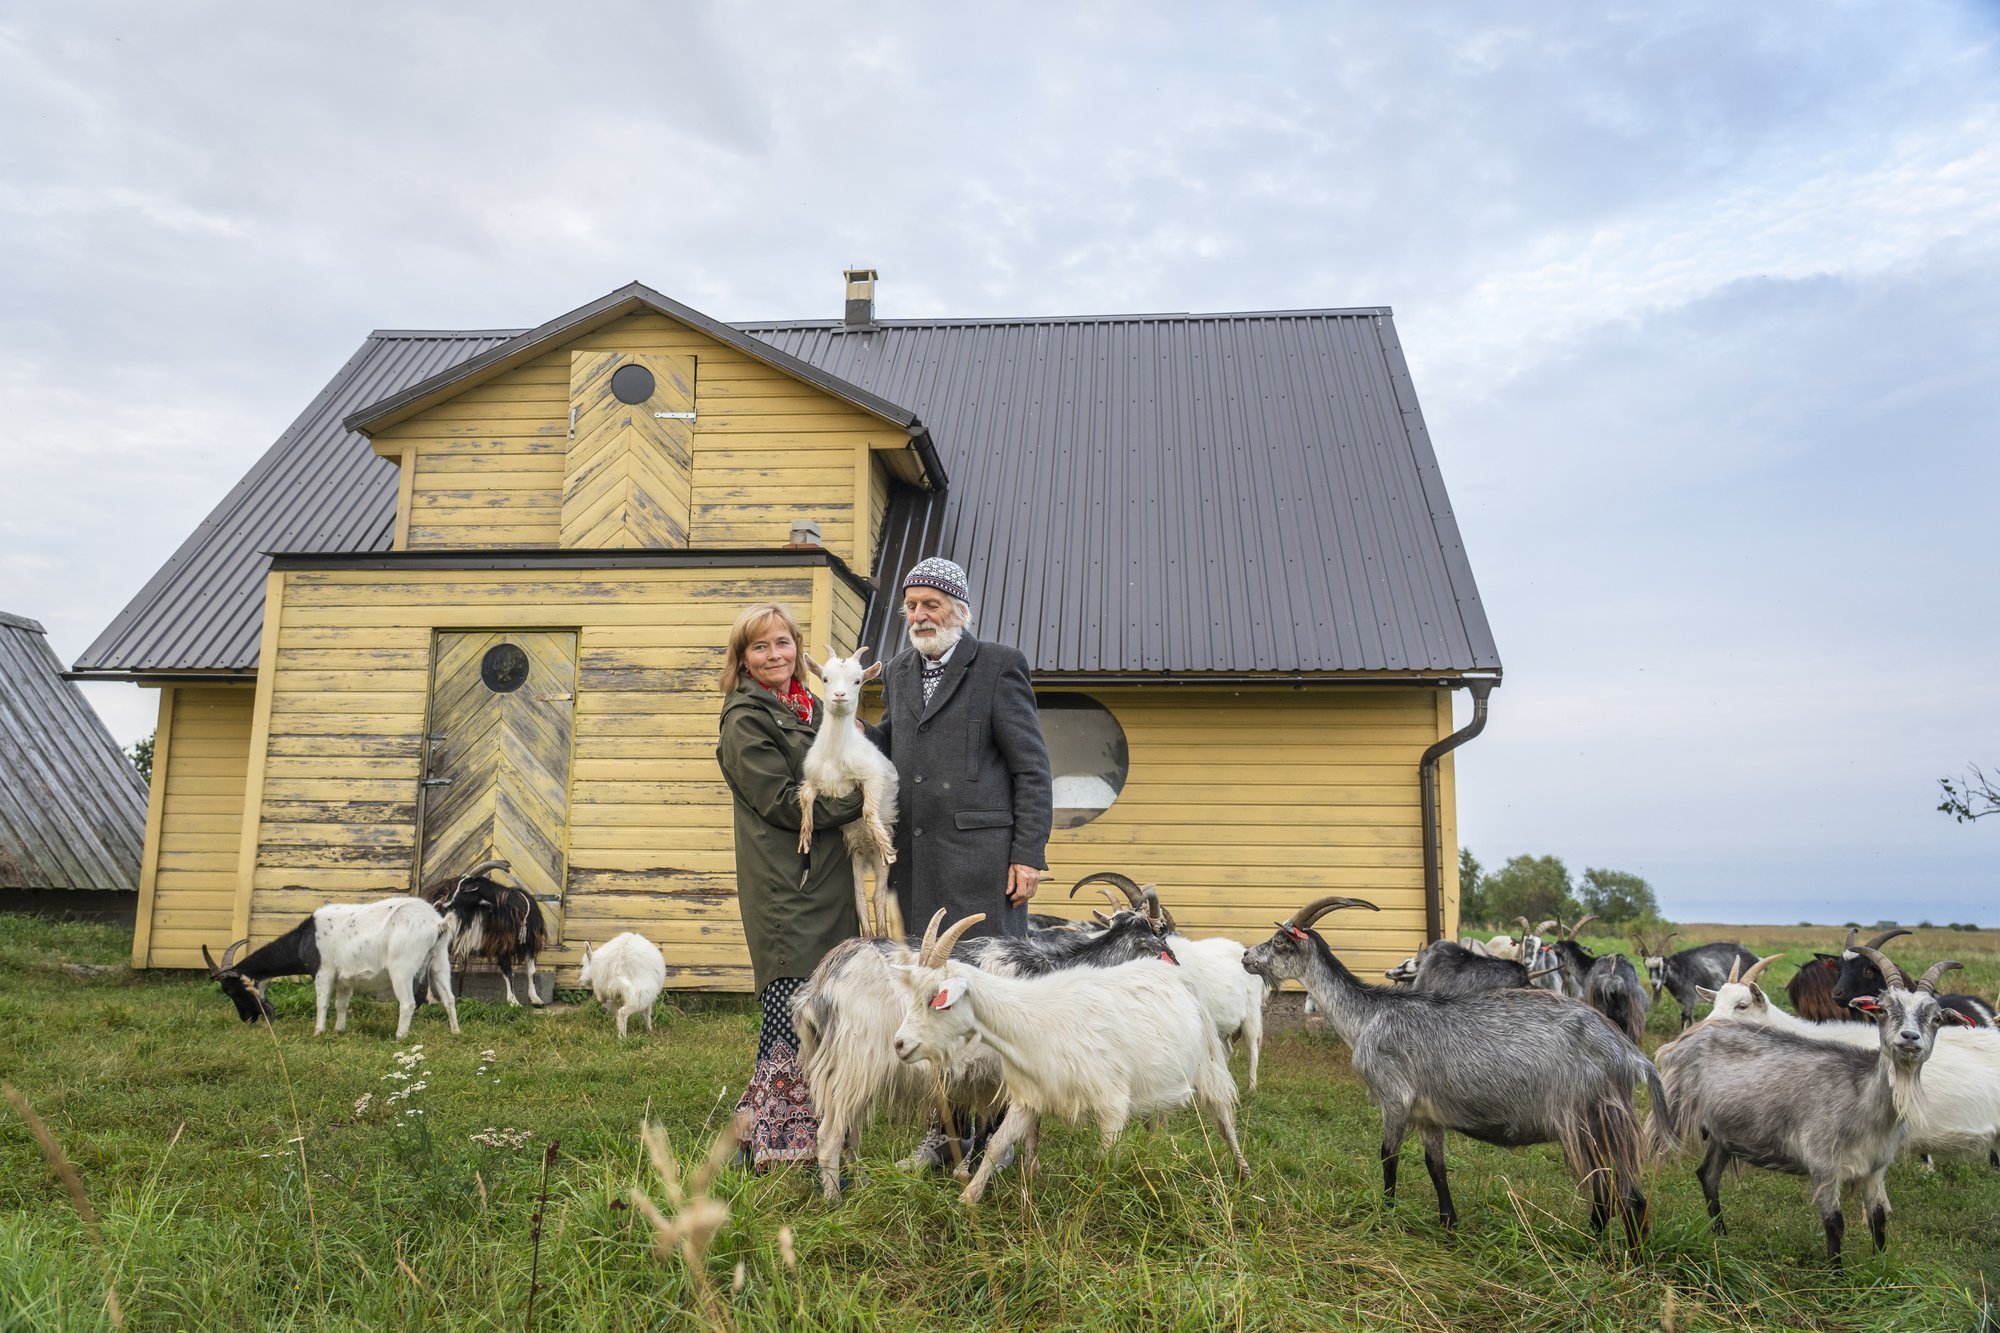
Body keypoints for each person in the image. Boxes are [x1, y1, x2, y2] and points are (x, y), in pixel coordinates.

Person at [714, 602, 865, 1169]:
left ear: (799, 649)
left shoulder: (807, 708)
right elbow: (780, 802)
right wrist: (858, 802)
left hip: (823, 883)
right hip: (787, 888)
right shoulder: (746, 718)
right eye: (760, 646)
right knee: (790, 1013)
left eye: (783, 643)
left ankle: (761, 1134)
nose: (775, 655)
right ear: (742, 659)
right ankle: (780, 1147)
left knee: (820, 1015)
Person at [868, 556, 1053, 940]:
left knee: (985, 981)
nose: (919, 616)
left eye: (931, 605)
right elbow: (892, 743)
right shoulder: (898, 671)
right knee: (923, 985)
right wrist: (852, 732)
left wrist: (1027, 856)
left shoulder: (998, 665)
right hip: (914, 862)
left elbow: (1031, 770)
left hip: (981, 865)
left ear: (960, 611)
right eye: (912, 606)